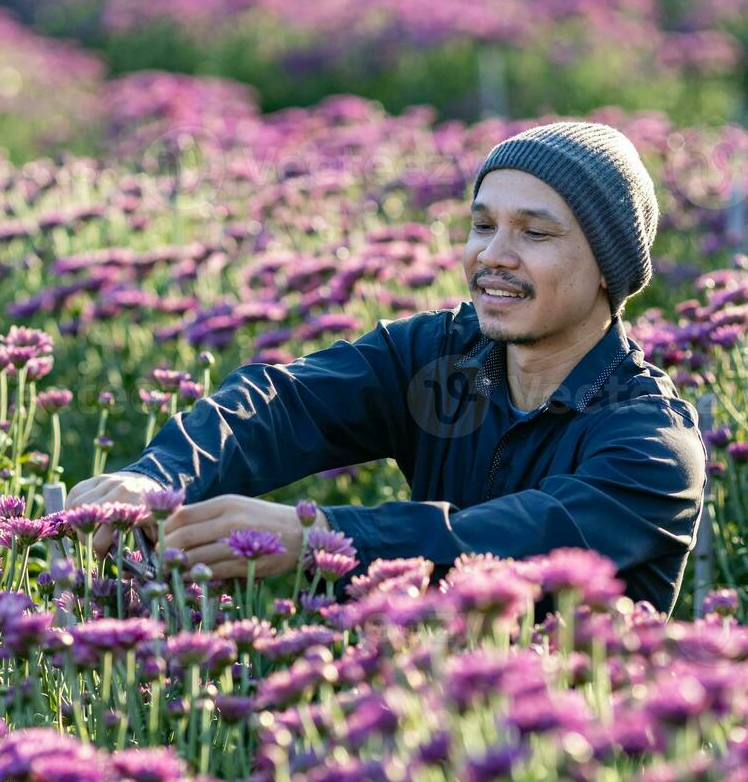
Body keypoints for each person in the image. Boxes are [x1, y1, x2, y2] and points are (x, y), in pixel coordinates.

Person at [68, 120, 707, 615]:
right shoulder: (444, 363)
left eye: (534, 234)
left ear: (607, 267)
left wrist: (319, 536)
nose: (494, 255)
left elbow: (512, 540)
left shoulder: (648, 445)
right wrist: (155, 479)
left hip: (573, 764)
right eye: (482, 225)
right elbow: (283, 403)